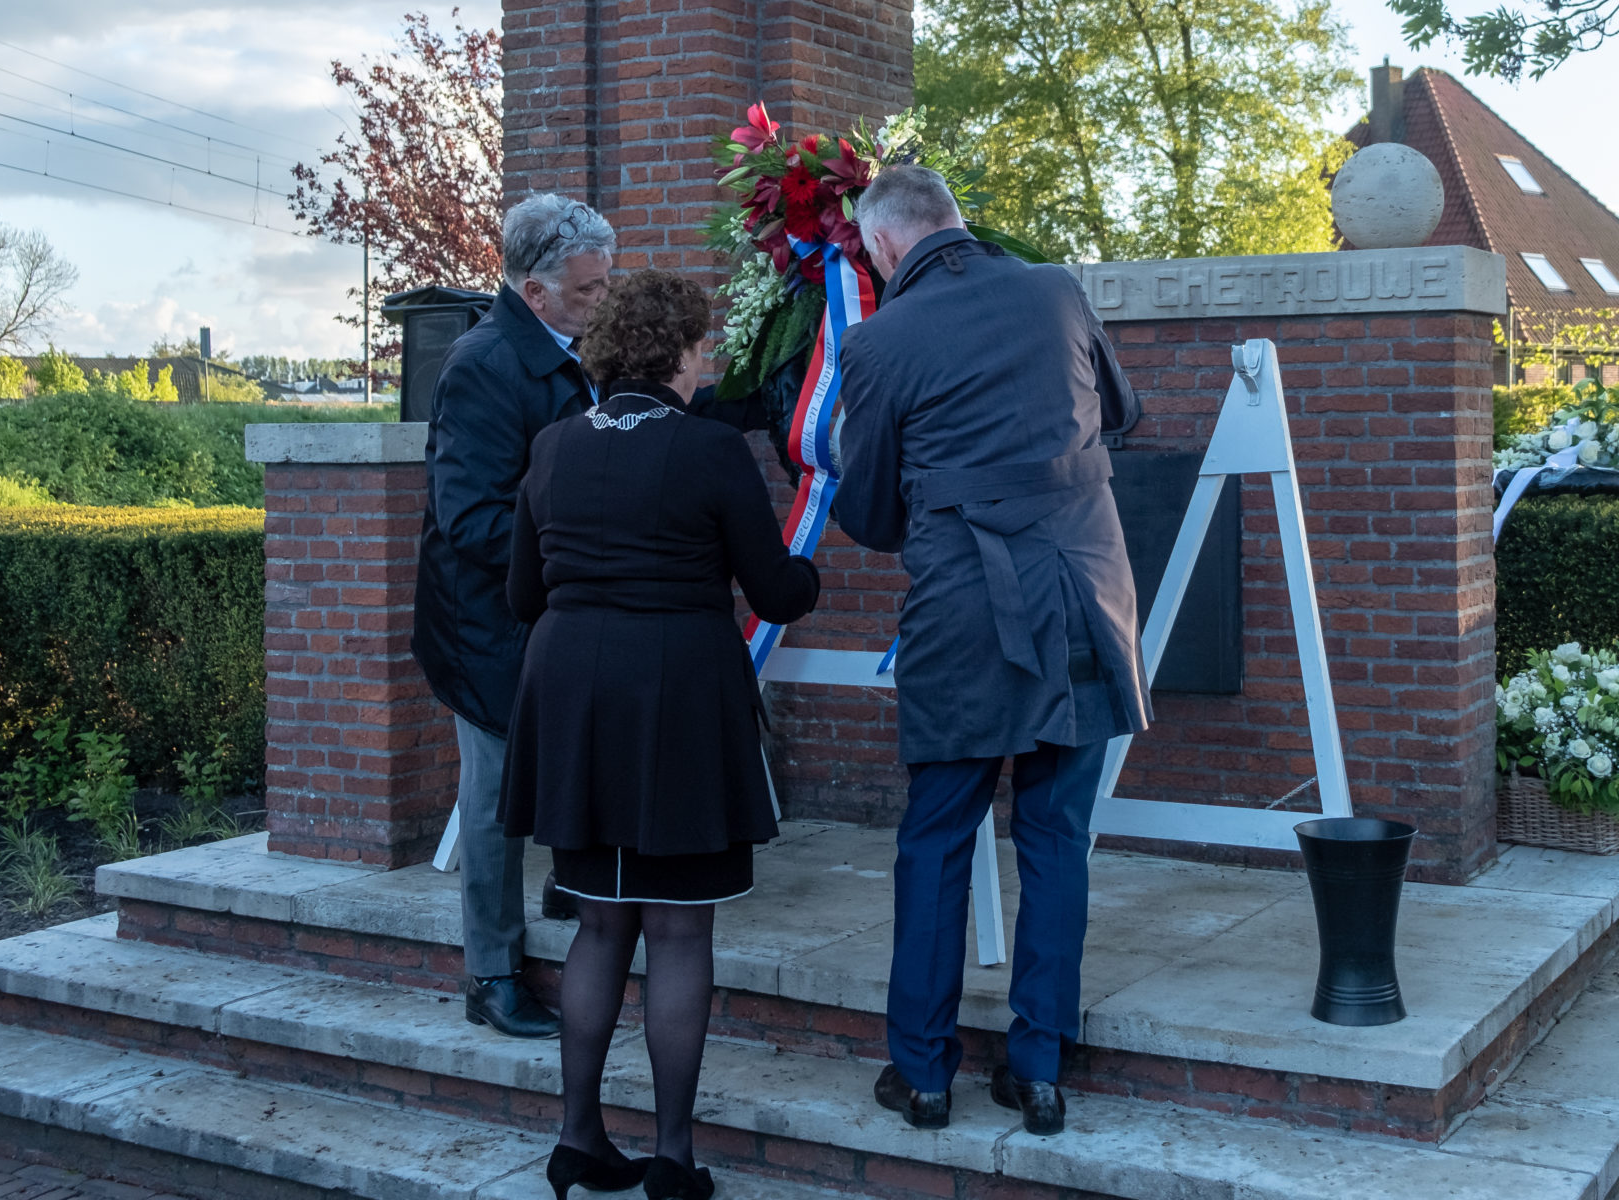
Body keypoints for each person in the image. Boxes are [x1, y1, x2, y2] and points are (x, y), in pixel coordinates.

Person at [834, 166, 1152, 1137]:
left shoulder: (878, 339)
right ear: (953, 222)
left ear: (884, 247)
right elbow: (1124, 416)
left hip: (966, 608)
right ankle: (1038, 1071)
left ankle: (923, 1076)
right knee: (1056, 834)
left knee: (935, 838)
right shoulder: (1055, 287)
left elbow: (872, 510)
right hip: (1087, 596)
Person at [500, 270, 820, 1200]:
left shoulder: (554, 447)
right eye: (701, 346)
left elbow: (524, 595)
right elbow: (772, 590)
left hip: (573, 699)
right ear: (681, 354)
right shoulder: (710, 450)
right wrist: (808, 572)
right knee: (678, 933)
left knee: (600, 926)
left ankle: (576, 1140)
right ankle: (673, 1160)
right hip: (677, 695)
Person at [412, 193, 612, 1039]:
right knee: (494, 801)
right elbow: (470, 518)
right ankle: (491, 975)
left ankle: (566, 885)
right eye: (590, 289)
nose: (605, 299)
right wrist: (581, 545)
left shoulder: (565, 349)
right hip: (487, 623)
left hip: (547, 609)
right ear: (536, 293)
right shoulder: (485, 364)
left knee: (572, 758)